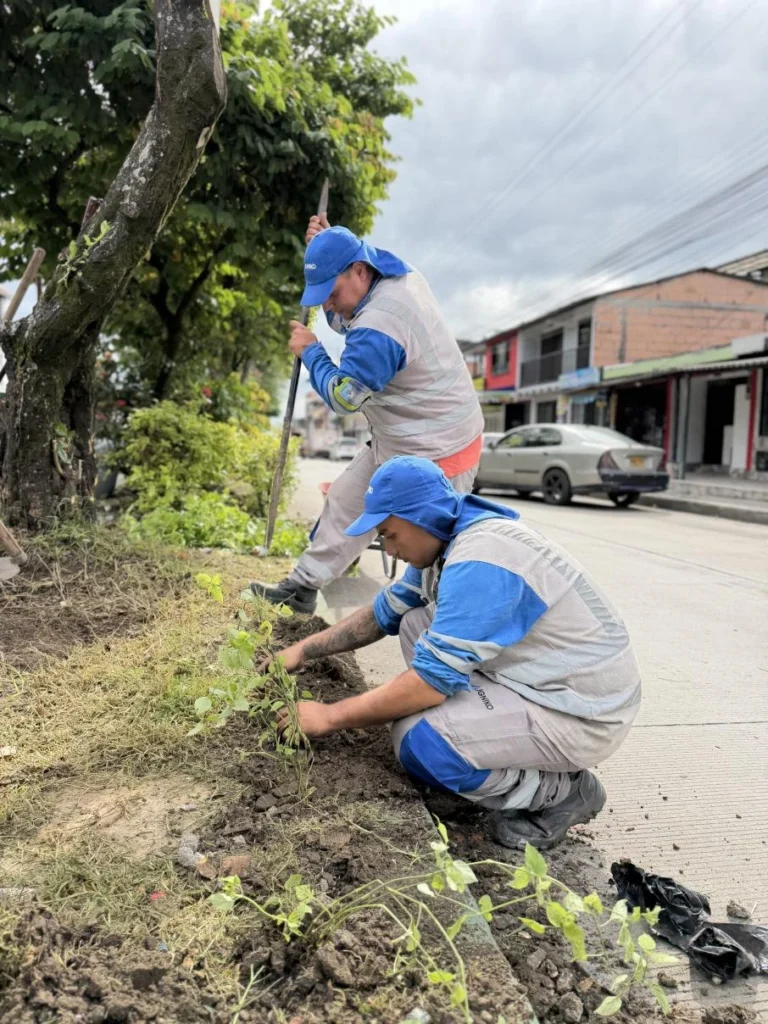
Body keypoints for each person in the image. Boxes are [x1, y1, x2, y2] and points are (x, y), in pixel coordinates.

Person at [271, 456, 642, 850]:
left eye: (390, 534)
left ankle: (561, 792)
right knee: (416, 620)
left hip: (581, 712)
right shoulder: (447, 539)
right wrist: (302, 650)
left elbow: (430, 684)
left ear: (420, 516)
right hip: (541, 683)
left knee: (418, 742)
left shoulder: (479, 559)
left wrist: (329, 716)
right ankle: (477, 744)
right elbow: (383, 616)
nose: (390, 549)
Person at [252, 214, 484, 614]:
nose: (327, 303)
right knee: (345, 499)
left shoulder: (383, 323)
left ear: (359, 270)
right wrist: (328, 246)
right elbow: (347, 309)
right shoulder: (387, 270)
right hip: (400, 436)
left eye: (331, 291)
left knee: (429, 544)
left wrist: (311, 352)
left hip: (439, 448)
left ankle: (448, 634)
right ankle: (301, 589)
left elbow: (344, 397)